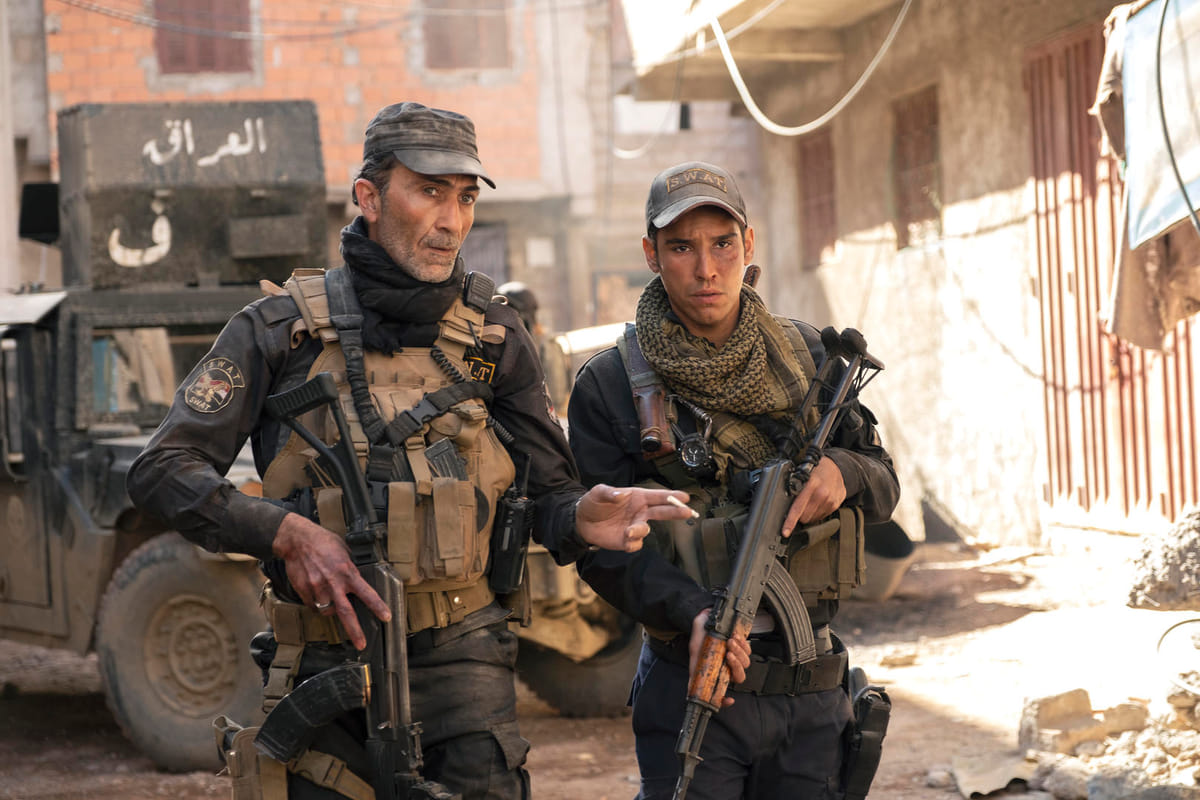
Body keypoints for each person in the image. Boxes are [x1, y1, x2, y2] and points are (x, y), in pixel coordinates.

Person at [125, 102, 696, 800]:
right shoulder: (279, 331)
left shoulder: (496, 337)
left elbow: (550, 495)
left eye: (465, 197)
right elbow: (162, 470)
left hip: (465, 665)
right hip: (321, 663)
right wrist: (286, 533)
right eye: (429, 192)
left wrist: (579, 516)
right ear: (368, 197)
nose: (452, 221)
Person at [567, 161, 901, 800]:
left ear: (748, 244)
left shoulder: (809, 357)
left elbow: (885, 484)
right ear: (651, 254)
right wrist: (692, 611)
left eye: (722, 244)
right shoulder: (609, 385)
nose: (705, 269)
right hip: (692, 678)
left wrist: (845, 470)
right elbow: (600, 548)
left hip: (812, 687)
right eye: (681, 247)